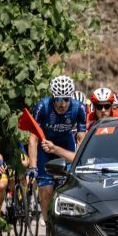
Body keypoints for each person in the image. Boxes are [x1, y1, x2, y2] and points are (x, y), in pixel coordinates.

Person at [27, 75, 87, 218]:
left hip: (66, 146)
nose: (63, 104)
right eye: (59, 99)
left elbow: (81, 140)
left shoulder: (79, 108)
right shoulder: (42, 106)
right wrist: (32, 166)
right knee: (46, 190)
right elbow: (33, 139)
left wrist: (80, 164)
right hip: (45, 148)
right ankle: (48, 231)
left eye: (67, 99)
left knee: (66, 190)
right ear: (53, 96)